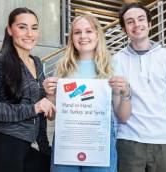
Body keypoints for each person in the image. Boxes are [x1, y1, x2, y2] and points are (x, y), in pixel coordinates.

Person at [42, 14, 131, 172]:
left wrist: (125, 93)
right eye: (77, 32)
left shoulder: (112, 67)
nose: (83, 36)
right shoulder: (62, 68)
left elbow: (123, 116)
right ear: (72, 38)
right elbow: (51, 116)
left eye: (88, 31)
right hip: (67, 139)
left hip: (99, 140)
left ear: (97, 35)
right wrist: (49, 95)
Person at [0, 7, 55, 172]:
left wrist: (46, 150)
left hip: (25, 148)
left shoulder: (37, 63)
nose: (29, 34)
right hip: (2, 147)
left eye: (34, 28)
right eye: (22, 27)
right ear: (10, 30)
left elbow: (39, 116)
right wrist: (33, 108)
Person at [113, 3, 166, 172]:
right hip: (128, 142)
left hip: (164, 144)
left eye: (141, 19)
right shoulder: (116, 60)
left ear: (150, 24)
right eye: (130, 22)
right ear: (124, 29)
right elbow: (115, 107)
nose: (137, 25)